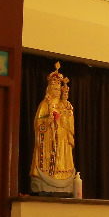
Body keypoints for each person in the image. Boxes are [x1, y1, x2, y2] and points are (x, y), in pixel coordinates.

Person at [30, 62, 75, 194]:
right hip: (49, 139)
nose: (57, 91)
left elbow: (69, 121)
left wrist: (66, 115)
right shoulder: (45, 104)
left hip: (62, 139)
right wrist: (47, 121)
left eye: (58, 89)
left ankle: (63, 176)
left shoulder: (63, 104)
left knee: (63, 156)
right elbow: (38, 123)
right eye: (55, 89)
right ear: (49, 89)